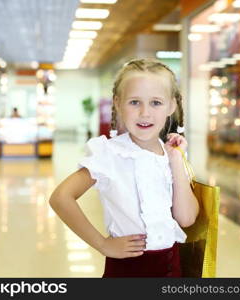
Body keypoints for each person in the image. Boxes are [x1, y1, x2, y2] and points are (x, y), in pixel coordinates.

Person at [49, 58, 199, 277]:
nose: (145, 113)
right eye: (134, 102)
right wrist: (102, 244)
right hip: (128, 268)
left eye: (156, 102)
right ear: (118, 103)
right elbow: (61, 197)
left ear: (172, 105)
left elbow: (186, 218)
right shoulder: (109, 153)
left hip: (170, 266)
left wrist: (176, 161)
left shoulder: (171, 154)